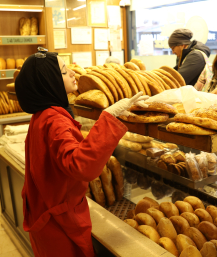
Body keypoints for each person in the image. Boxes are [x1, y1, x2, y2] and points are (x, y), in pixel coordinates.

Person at [14, 48, 148, 257]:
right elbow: (81, 165)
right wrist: (110, 115)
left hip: (46, 213)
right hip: (60, 222)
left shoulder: (43, 114)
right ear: (49, 81)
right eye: (64, 71)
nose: (73, 73)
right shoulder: (55, 120)